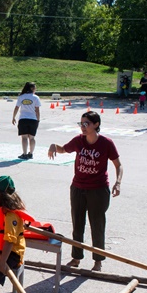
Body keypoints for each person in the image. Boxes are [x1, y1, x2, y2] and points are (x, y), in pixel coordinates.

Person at [48, 111, 123, 272]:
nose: (82, 127)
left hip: (98, 190)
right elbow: (63, 149)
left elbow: (118, 165)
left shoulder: (106, 143)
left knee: (97, 225)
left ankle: (98, 260)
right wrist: (54, 146)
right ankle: (76, 258)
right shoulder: (78, 141)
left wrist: (118, 183)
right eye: (81, 124)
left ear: (96, 124)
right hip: (78, 188)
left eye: (86, 124)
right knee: (77, 224)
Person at [12, 82, 42, 160]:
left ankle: (24, 154)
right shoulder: (36, 98)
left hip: (23, 119)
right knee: (32, 138)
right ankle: (31, 153)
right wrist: (38, 120)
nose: (35, 90)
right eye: (35, 88)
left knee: (24, 138)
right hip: (33, 119)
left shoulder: (21, 97)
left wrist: (13, 117)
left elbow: (16, 108)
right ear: (32, 88)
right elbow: (37, 110)